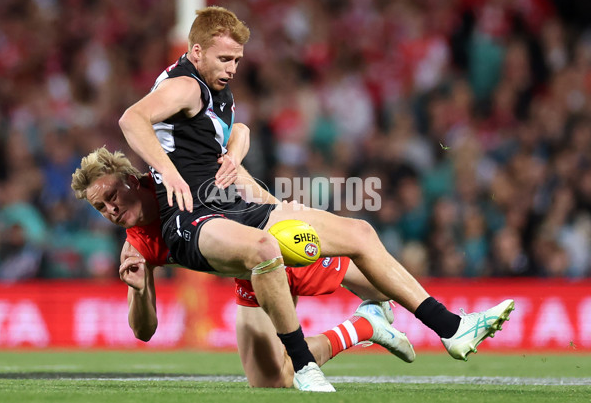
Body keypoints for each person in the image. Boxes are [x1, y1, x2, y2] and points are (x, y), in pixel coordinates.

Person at [117, 6, 514, 391]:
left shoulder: (215, 92)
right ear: (197, 51)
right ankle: (310, 365)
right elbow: (131, 119)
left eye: (237, 59)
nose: (232, 68)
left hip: (233, 209)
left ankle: (452, 328)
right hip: (193, 220)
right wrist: (168, 172)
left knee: (359, 233)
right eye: (224, 59)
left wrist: (243, 159)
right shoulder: (184, 84)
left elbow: (235, 134)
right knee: (265, 250)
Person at [71, 146, 416, 389]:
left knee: (385, 288)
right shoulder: (136, 247)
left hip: (278, 247)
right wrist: (139, 288)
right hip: (251, 273)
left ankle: (435, 318)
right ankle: (363, 328)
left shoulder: (172, 179)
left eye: (112, 196)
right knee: (271, 382)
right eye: (101, 207)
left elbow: (237, 139)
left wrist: (279, 209)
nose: (111, 210)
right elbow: (143, 331)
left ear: (130, 180)